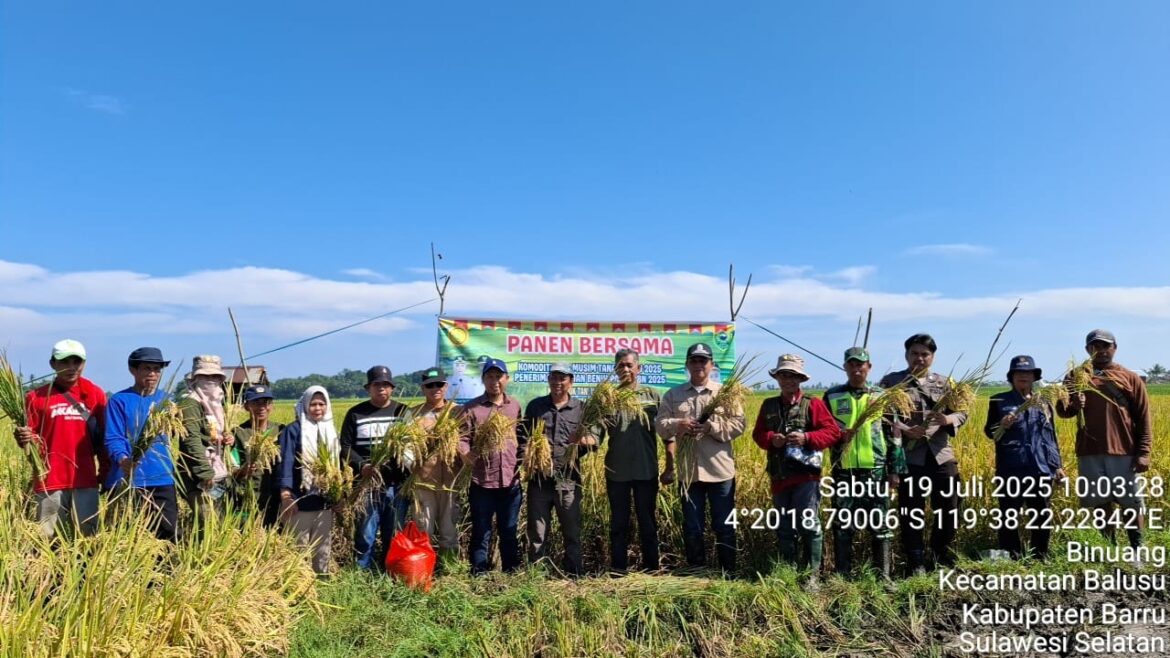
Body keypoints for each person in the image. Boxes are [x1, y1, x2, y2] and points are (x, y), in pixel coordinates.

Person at [879, 333, 968, 574]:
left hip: (941, 454)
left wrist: (946, 419)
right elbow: (882, 418)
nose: (920, 358)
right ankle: (915, 560)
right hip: (910, 458)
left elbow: (962, 412)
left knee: (949, 507)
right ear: (906, 355)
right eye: (915, 353)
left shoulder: (945, 383)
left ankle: (940, 554)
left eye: (925, 354)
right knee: (911, 510)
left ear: (933, 357)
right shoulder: (892, 383)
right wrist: (907, 430)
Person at [1057, 329, 1151, 550]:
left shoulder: (1130, 377)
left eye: (1105, 346)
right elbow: (1063, 411)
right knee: (1100, 503)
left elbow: (1144, 417)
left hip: (1123, 449)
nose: (1100, 351)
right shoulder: (1075, 376)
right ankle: (1110, 548)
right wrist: (1074, 405)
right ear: (1087, 349)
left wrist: (1144, 452)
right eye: (1094, 346)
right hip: (1089, 449)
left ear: (1114, 348)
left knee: (1130, 503)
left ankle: (1137, 550)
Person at [656, 343, 745, 573]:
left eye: (703, 361)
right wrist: (680, 424)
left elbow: (738, 425)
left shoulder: (725, 394)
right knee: (693, 526)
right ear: (687, 365)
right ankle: (697, 571)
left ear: (712, 365)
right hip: (689, 473)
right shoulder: (673, 395)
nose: (698, 365)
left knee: (724, 525)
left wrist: (710, 428)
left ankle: (728, 572)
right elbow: (661, 426)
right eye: (694, 361)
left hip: (719, 471)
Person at [753, 354, 841, 587]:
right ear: (778, 378)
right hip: (779, 476)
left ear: (800, 379)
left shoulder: (813, 404)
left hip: (806, 478)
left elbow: (832, 432)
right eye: (784, 375)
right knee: (784, 527)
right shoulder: (768, 405)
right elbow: (758, 435)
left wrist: (806, 437)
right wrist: (773, 439)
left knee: (809, 525)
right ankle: (789, 573)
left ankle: (812, 575)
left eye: (793, 376)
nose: (788, 380)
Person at [823, 347, 904, 579]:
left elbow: (895, 434)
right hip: (844, 471)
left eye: (861, 364)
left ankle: (883, 576)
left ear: (869, 367)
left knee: (880, 525)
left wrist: (895, 470)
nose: (856, 368)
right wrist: (840, 435)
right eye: (852, 364)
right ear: (845, 367)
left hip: (876, 470)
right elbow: (825, 428)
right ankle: (843, 576)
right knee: (843, 525)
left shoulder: (881, 396)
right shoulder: (832, 395)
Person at [13, 339, 106, 538]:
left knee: (88, 537)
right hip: (49, 478)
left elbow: (104, 438)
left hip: (85, 477)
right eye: (64, 362)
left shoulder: (95, 394)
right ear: (53, 364)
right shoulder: (36, 397)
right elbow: (29, 440)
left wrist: (106, 472)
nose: (71, 367)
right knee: (47, 537)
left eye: (77, 361)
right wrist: (23, 437)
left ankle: (85, 570)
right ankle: (46, 570)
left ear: (84, 363)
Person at [593, 348, 674, 573]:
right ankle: (618, 570)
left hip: (646, 471)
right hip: (616, 471)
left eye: (629, 365)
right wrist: (583, 437)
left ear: (639, 368)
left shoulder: (652, 396)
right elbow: (596, 433)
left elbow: (667, 433)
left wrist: (670, 465)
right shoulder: (608, 398)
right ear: (615, 369)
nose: (625, 369)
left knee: (647, 522)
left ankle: (651, 568)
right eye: (621, 365)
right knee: (619, 523)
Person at [984, 355, 1065, 559]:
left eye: (1027, 373)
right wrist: (1001, 424)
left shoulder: (1043, 401)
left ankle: (1040, 555)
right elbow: (989, 432)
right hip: (1011, 467)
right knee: (1009, 514)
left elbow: (1050, 435)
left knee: (1041, 513)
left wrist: (1057, 465)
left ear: (1033, 377)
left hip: (1040, 467)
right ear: (1012, 377)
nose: (1023, 376)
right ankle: (1011, 555)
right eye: (1019, 373)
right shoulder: (999, 400)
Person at [457, 357, 525, 574]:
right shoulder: (472, 408)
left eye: (499, 376)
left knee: (508, 530)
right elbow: (462, 438)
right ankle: (479, 572)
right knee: (481, 531)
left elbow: (522, 437)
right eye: (490, 376)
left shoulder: (514, 405)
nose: (495, 381)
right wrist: (465, 453)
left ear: (507, 379)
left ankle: (511, 572)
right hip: (482, 481)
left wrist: (526, 458)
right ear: (483, 379)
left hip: (510, 480)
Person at [339, 365, 411, 570]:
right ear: (368, 388)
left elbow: (411, 444)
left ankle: (392, 571)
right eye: (376, 384)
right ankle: (362, 573)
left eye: (386, 385)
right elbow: (344, 446)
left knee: (394, 532)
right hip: (367, 485)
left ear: (392, 388)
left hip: (396, 485)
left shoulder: (403, 412)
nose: (381, 388)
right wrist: (362, 466)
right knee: (365, 532)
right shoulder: (355, 413)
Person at [104, 347, 180, 541]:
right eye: (147, 368)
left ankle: (167, 570)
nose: (153, 374)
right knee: (127, 536)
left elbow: (176, 431)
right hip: (128, 479)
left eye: (157, 369)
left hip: (162, 477)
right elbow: (113, 437)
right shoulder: (119, 401)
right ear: (133, 370)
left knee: (168, 533)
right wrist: (123, 459)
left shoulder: (168, 401)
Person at [523, 362, 588, 576]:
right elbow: (523, 438)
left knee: (572, 531)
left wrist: (583, 441)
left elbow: (594, 438)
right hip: (539, 481)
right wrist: (530, 455)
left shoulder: (581, 409)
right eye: (554, 377)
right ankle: (537, 575)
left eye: (562, 378)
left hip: (568, 480)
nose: (557, 382)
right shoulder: (536, 407)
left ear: (571, 381)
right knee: (537, 533)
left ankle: (574, 576)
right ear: (548, 379)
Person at [277, 385, 340, 575]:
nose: (318, 408)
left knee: (322, 549)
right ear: (305, 405)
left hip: (323, 503)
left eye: (322, 404)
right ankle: (297, 586)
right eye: (313, 404)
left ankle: (321, 585)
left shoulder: (330, 431)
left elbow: (337, 467)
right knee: (299, 549)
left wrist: (338, 495)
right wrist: (286, 496)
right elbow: (285, 461)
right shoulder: (294, 430)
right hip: (299, 502)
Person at [409, 367, 461, 565]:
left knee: (449, 531)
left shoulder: (457, 412)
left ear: (446, 386)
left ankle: (449, 570)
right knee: (424, 530)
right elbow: (405, 447)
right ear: (423, 388)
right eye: (429, 385)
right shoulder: (413, 415)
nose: (435, 389)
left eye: (439, 384)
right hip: (423, 484)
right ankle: (423, 571)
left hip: (451, 482)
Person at [177, 355, 236, 519]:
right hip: (200, 477)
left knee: (220, 519)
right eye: (205, 376)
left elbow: (212, 433)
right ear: (196, 378)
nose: (211, 381)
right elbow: (191, 441)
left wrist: (226, 437)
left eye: (215, 377)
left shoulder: (215, 402)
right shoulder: (190, 403)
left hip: (216, 472)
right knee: (208, 523)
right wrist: (205, 473)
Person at [232, 384, 285, 525]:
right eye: (255, 402)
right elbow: (230, 467)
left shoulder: (281, 431)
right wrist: (243, 470)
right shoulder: (238, 433)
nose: (261, 407)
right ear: (246, 406)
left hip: (275, 498)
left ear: (271, 406)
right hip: (248, 498)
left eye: (265, 402)